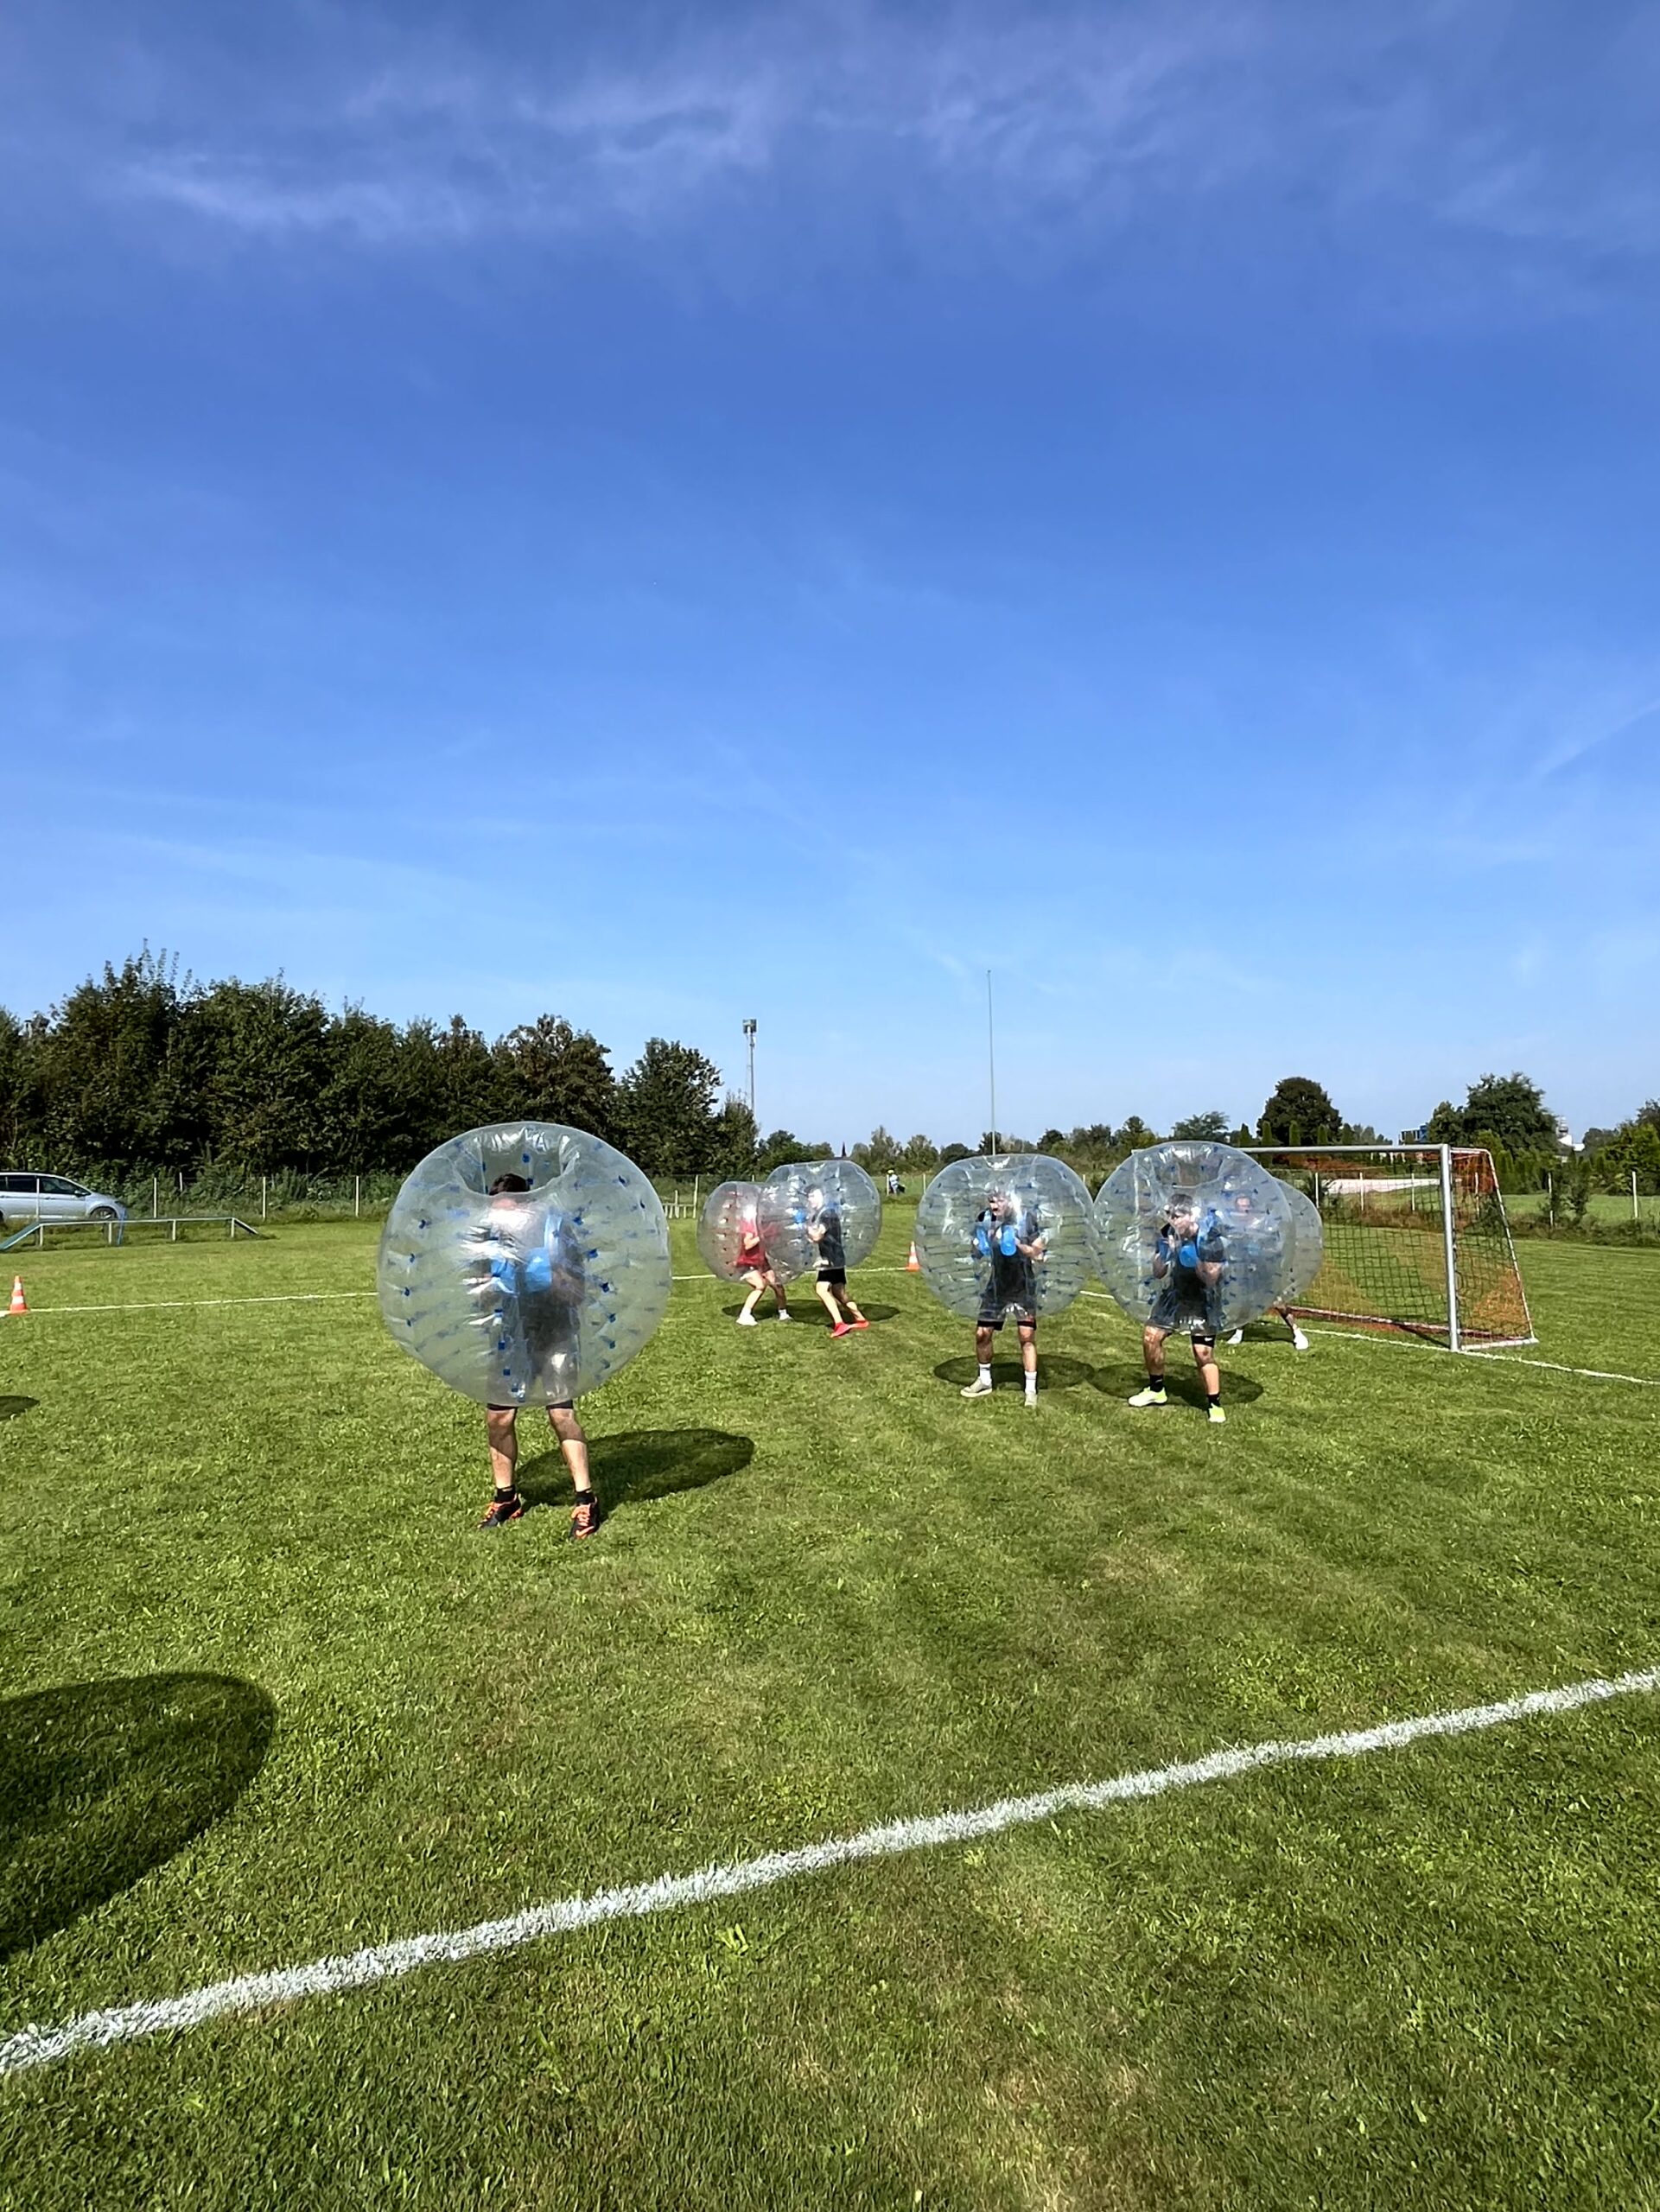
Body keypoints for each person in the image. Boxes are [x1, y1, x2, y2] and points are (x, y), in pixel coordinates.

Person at [474, 1173, 604, 1536]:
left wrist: (555, 1277)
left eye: (506, 1212)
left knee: (561, 1414)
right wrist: (491, 1287)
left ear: (526, 1207)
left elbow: (578, 1291)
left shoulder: (556, 1236)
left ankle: (586, 1499)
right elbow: (480, 1291)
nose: (500, 1221)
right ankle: (506, 1497)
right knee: (498, 1420)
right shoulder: (489, 1242)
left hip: (554, 1330)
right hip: (508, 1335)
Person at [1128, 1192, 1228, 1423]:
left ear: (1192, 1215)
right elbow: (1158, 1272)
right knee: (1150, 1337)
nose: (1173, 1220)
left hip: (1203, 1297)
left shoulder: (1209, 1238)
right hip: (1176, 1294)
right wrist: (1167, 1252)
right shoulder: (1167, 1233)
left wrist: (1191, 1254)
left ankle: (1214, 1404)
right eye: (1169, 1215)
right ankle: (1156, 1390)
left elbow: (1210, 1279)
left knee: (1202, 1353)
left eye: (1178, 1216)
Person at [959, 1188, 1045, 1407]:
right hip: (997, 1286)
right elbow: (977, 1253)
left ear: (1011, 1200)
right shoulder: (984, 1219)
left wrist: (1017, 1244)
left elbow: (1039, 1254)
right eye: (991, 1201)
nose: (994, 1206)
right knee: (981, 1334)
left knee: (1026, 1336)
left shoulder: (1026, 1219)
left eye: (999, 1201)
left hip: (1023, 1285)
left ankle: (1030, 1390)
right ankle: (985, 1381)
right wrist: (978, 1246)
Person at [806, 1185, 868, 1337]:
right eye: (809, 1197)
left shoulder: (827, 1214)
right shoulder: (820, 1214)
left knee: (821, 1289)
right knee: (838, 1292)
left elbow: (817, 1237)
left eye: (813, 1195)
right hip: (835, 1257)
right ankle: (861, 1319)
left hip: (832, 1259)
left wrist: (805, 1227)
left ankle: (840, 1324)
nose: (810, 1199)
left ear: (822, 1196)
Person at [735, 1206, 792, 1326]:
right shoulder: (750, 1225)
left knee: (777, 1285)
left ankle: (783, 1313)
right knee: (760, 1285)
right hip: (747, 1262)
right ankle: (744, 1315)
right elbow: (748, 1245)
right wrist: (761, 1236)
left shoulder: (766, 1226)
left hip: (761, 1261)